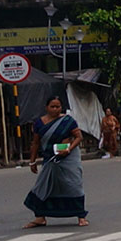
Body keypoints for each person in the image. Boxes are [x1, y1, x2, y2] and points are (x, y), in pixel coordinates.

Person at [23, 96, 88, 228]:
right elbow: (35, 143)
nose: (55, 109)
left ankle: (81, 216)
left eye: (58, 106)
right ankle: (40, 217)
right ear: (46, 108)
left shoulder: (68, 121)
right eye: (52, 106)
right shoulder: (39, 123)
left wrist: (69, 149)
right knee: (43, 186)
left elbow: (78, 137)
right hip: (50, 158)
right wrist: (32, 161)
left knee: (73, 184)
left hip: (68, 158)